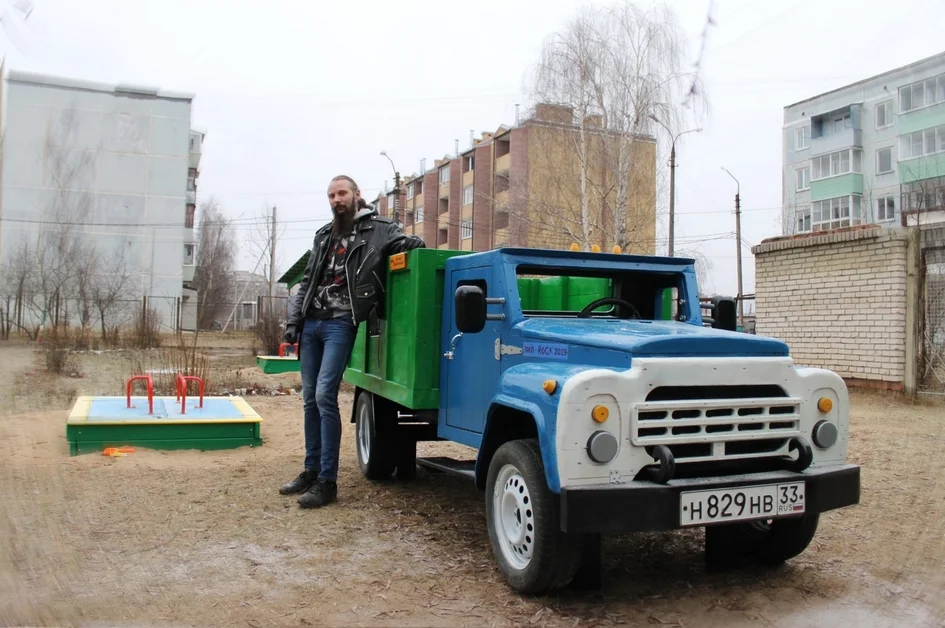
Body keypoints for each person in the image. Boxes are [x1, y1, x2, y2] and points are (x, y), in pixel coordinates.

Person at [280, 175, 425, 508]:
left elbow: (402, 244)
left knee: (323, 395)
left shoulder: (381, 229)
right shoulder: (323, 236)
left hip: (340, 323)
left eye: (342, 193)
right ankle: (310, 470)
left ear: (357, 195)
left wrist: (411, 244)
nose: (336, 200)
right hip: (311, 323)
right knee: (308, 400)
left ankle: (327, 482)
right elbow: (307, 283)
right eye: (331, 195)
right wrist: (294, 321)